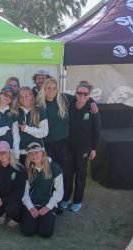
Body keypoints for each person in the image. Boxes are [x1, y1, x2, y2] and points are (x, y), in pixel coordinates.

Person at [36, 78, 98, 214]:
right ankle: (49, 201)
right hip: (47, 145)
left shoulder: (64, 98)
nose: (51, 90)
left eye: (54, 88)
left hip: (64, 144)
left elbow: (83, 97)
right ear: (44, 89)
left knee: (65, 174)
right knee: (49, 173)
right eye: (48, 88)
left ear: (57, 89)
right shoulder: (39, 103)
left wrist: (92, 102)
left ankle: (63, 200)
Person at [61, 81, 100, 212]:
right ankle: (65, 199)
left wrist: (94, 148)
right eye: (79, 92)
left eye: (85, 94)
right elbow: (57, 94)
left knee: (81, 175)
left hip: (84, 148)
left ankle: (77, 201)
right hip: (69, 147)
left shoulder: (92, 108)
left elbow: (96, 130)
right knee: (68, 174)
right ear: (75, 93)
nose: (82, 96)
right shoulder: (70, 103)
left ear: (89, 95)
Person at [21, 142, 63, 238]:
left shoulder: (55, 168)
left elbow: (59, 191)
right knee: (27, 232)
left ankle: (46, 218)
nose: (34, 156)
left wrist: (48, 207)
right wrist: (30, 207)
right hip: (33, 204)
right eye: (31, 154)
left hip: (48, 204)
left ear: (43, 153)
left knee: (45, 233)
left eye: (36, 152)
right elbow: (25, 191)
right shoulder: (28, 169)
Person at [0, 141, 26, 227]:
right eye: (0, 152)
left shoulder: (19, 168)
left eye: (5, 152)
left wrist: (2, 201)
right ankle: (1, 214)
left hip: (13, 199)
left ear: (9, 153)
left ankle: (15, 218)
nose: (3, 155)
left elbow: (20, 192)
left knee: (11, 209)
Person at [17, 87, 48, 165]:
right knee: (23, 176)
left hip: (37, 152)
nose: (24, 99)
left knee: (37, 176)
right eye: (21, 97)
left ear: (31, 96)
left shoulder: (40, 110)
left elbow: (44, 132)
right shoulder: (16, 112)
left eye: (26, 96)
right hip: (21, 152)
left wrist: (27, 129)